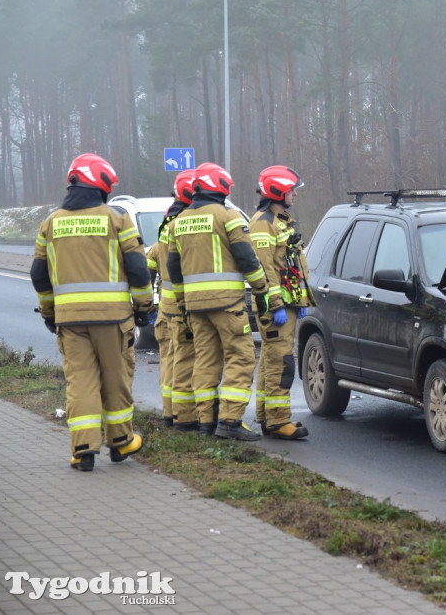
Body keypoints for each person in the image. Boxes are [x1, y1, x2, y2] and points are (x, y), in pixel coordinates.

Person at [30, 153, 154, 471]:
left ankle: (83, 449)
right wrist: (143, 308)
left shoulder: (51, 223)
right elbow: (139, 269)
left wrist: (48, 312)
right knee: (116, 379)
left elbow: (39, 275)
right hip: (114, 319)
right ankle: (121, 442)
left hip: (70, 321)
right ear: (100, 185)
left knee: (80, 381)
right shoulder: (117, 219)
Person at [167, 162, 270, 440]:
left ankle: (206, 422)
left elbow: (174, 270)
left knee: (205, 361)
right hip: (228, 305)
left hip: (195, 307)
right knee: (241, 357)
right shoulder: (229, 216)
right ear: (220, 186)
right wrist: (261, 289)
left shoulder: (178, 222)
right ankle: (230, 421)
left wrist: (182, 303)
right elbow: (247, 258)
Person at [250, 166, 314, 440]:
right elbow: (265, 270)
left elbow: (289, 264)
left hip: (284, 305)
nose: (295, 195)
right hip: (275, 308)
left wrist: (298, 299)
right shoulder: (263, 223)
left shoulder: (279, 221)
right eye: (291, 191)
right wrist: (276, 306)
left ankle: (267, 416)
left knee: (270, 360)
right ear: (278, 192)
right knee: (281, 362)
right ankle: (279, 421)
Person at [146, 169, 197, 429]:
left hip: (165, 305)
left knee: (167, 358)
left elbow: (151, 259)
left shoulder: (167, 221)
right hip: (181, 304)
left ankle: (169, 411)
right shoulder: (186, 223)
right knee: (185, 359)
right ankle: (184, 416)